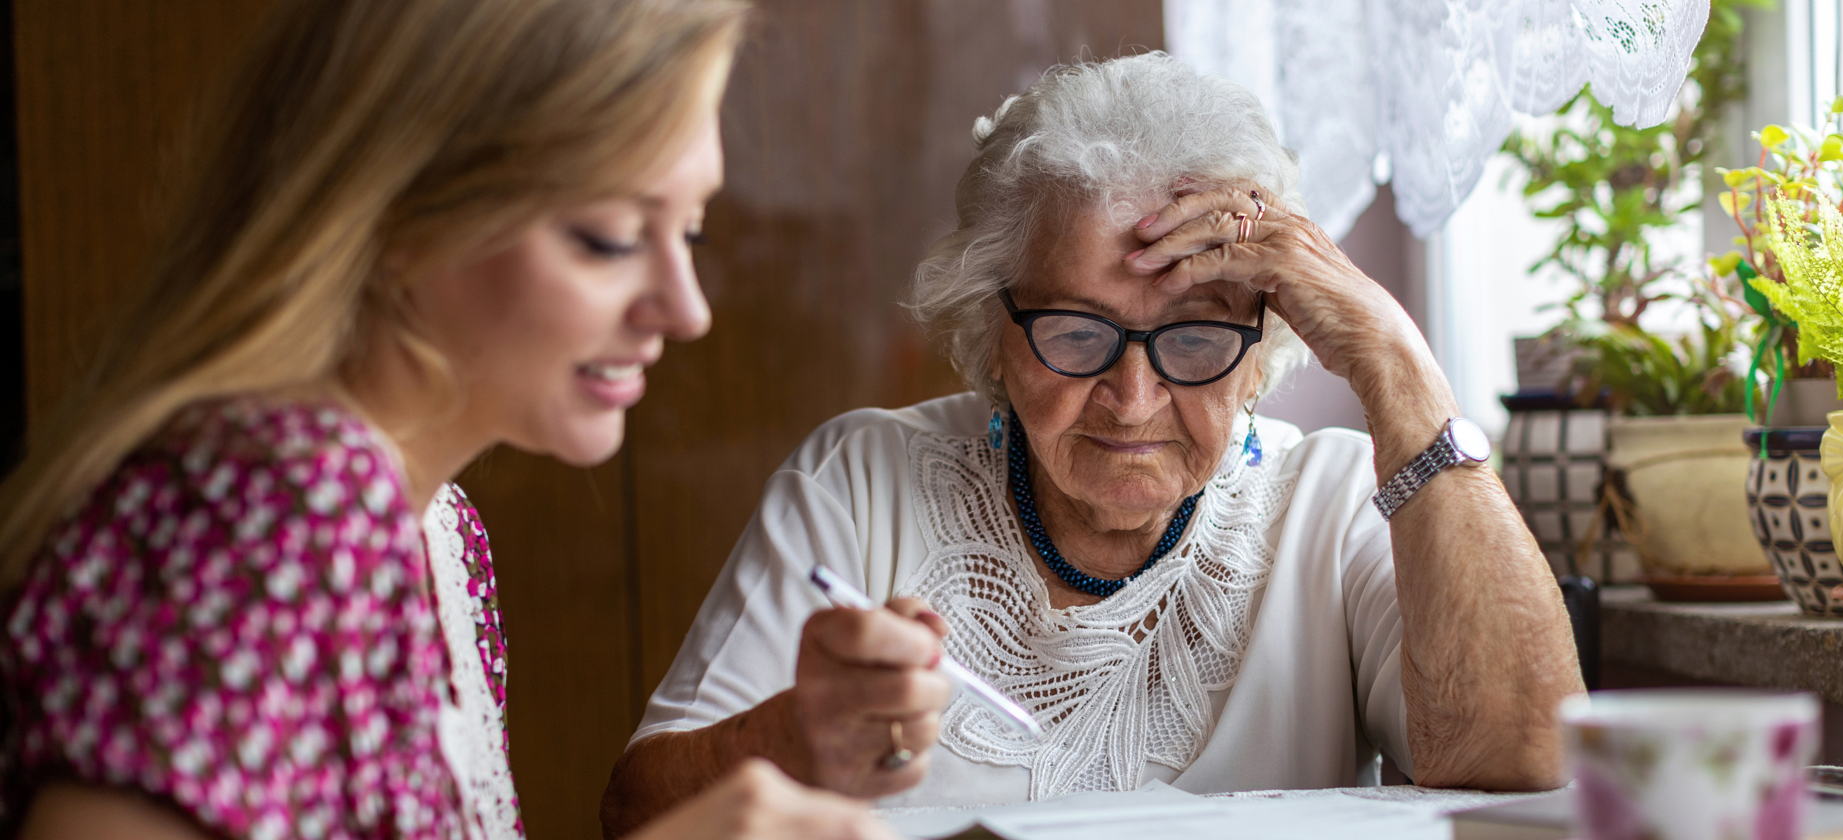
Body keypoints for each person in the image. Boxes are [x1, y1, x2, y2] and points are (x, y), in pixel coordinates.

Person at [601, 51, 1582, 832]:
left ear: (1258, 347)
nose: (1132, 396)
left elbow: (1532, 766)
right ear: (994, 332)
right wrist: (795, 735)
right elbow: (639, 816)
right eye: (1076, 333)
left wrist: (1392, 360)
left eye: (1195, 337)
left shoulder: (1329, 504)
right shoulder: (863, 480)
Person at [0, 0, 891, 837]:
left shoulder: (440, 532)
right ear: (399, 211)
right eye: (612, 237)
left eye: (690, 232)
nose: (686, 308)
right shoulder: (274, 514)